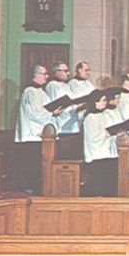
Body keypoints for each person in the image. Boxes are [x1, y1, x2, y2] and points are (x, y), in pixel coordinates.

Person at [15, 64, 58, 192]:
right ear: (36, 75)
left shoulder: (41, 91)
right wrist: (52, 113)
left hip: (43, 135)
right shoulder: (30, 92)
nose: (47, 76)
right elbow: (35, 114)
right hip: (32, 134)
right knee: (32, 165)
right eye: (44, 74)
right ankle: (31, 188)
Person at [81, 88, 117, 196]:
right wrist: (109, 133)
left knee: (108, 185)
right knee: (99, 185)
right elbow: (93, 137)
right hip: (97, 154)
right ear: (95, 102)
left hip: (107, 152)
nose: (105, 103)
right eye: (103, 100)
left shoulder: (104, 114)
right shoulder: (90, 117)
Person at [45, 61, 78, 134]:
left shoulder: (66, 85)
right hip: (60, 124)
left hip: (70, 123)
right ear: (57, 72)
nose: (68, 73)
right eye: (65, 71)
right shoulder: (52, 85)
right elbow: (55, 104)